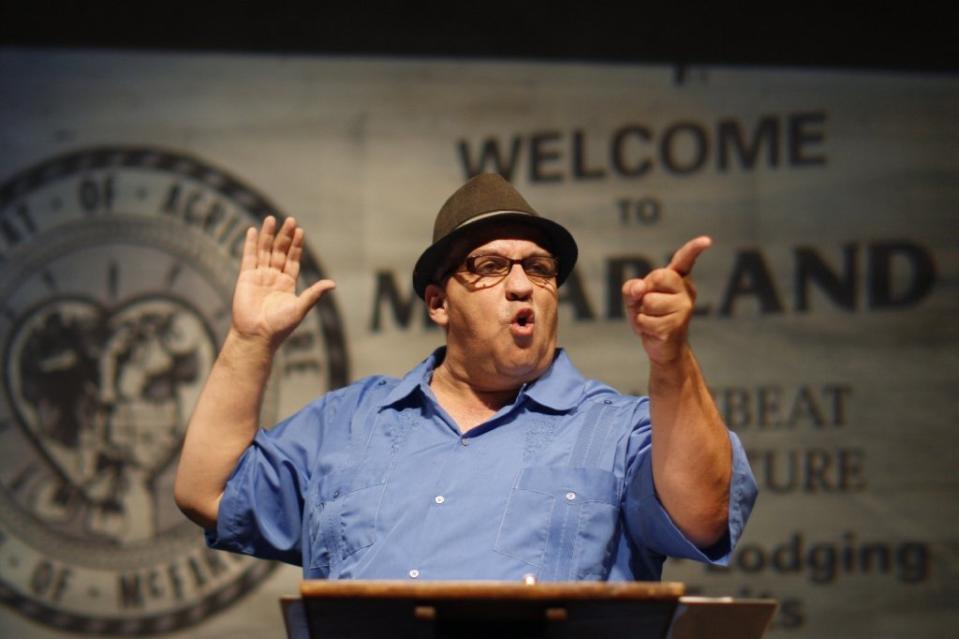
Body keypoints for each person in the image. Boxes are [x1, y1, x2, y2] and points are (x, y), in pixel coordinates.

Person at [174, 173, 757, 581]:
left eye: (540, 267)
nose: (523, 284)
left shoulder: (618, 429)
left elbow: (703, 514)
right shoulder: (349, 423)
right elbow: (209, 492)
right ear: (438, 302)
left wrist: (671, 358)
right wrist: (250, 344)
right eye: (491, 267)